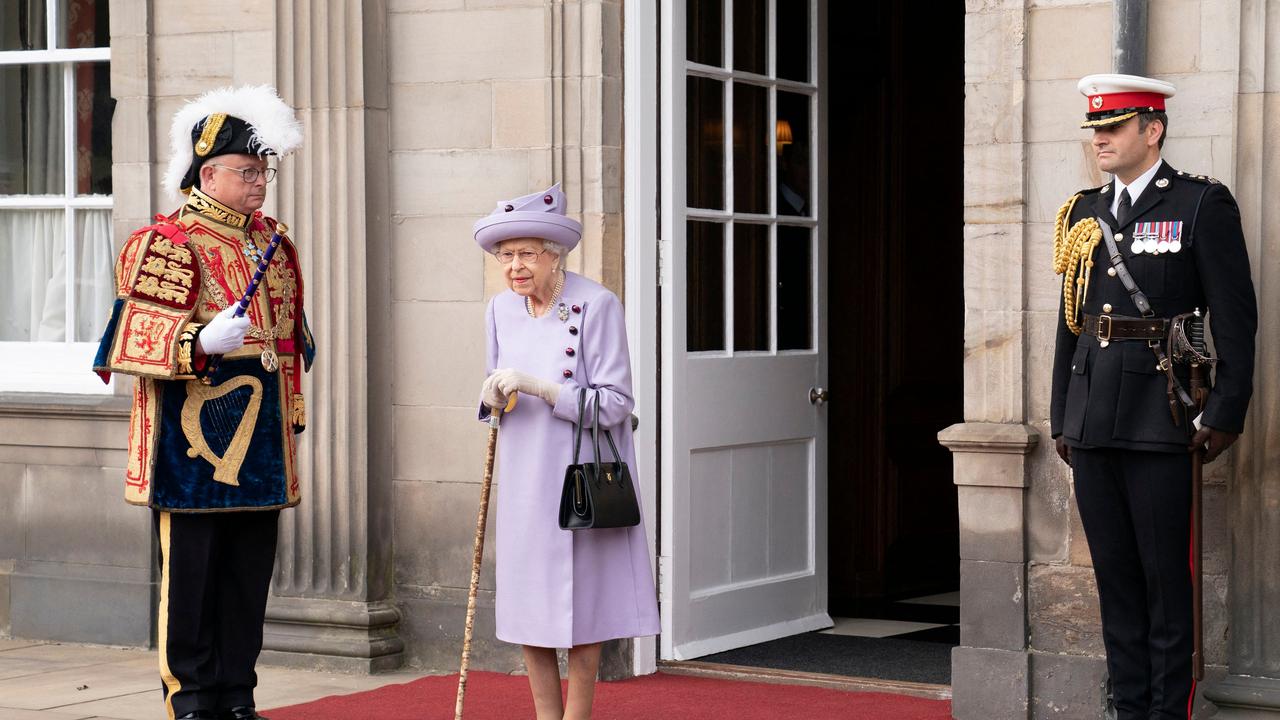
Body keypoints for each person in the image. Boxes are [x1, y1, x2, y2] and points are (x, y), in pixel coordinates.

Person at [92, 85, 313, 720]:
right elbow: (129, 337)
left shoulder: (273, 243)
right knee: (190, 579)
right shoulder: (167, 241)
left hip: (261, 439)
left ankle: (237, 693)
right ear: (206, 172)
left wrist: (291, 411)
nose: (259, 184)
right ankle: (189, 697)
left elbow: (292, 340)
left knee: (248, 575)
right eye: (247, 172)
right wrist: (197, 339)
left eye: (263, 171)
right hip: (189, 443)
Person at [1050, 74, 1257, 719]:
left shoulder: (1200, 205)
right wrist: (1063, 412)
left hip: (1161, 417)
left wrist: (1225, 410)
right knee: (1115, 582)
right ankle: (1129, 708)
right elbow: (1070, 320)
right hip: (1093, 420)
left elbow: (1235, 316)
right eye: (1096, 131)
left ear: (1153, 130)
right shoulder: (1085, 210)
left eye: (1113, 129)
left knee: (1166, 582)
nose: (1101, 141)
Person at [473, 184, 660, 720]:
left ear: (555, 255)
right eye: (506, 255)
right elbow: (494, 388)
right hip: (525, 476)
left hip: (580, 475)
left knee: (584, 612)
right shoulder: (500, 311)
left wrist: (544, 388)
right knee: (530, 606)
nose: (515, 266)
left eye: (528, 253)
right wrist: (491, 397)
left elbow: (617, 403)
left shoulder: (596, 304)